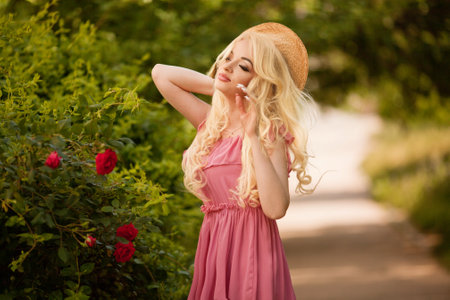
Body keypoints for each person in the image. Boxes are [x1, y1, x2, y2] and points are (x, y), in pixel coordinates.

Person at [152, 22, 316, 300]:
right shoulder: (210, 125)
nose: (227, 67)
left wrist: (252, 136)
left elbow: (276, 208)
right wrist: (225, 87)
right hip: (214, 249)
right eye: (227, 58)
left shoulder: (268, 132)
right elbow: (161, 74)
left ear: (260, 81)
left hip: (254, 251)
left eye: (243, 66)